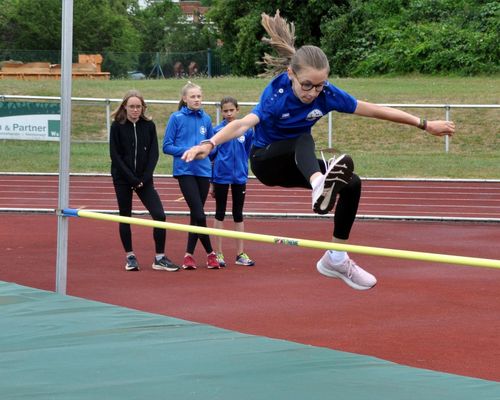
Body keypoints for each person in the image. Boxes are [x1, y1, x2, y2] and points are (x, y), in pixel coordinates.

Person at [181, 11, 456, 290]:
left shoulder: (327, 94)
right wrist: (210, 143)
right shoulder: (276, 95)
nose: (313, 92)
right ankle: (318, 185)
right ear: (291, 74)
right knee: (302, 139)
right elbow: (242, 124)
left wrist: (424, 124)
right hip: (266, 160)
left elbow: (374, 110)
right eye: (307, 85)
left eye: (320, 85)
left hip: (298, 164)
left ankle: (336, 257)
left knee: (352, 183)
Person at [109, 90, 179, 272]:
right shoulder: (117, 126)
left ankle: (160, 257)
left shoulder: (149, 125)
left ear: (143, 107)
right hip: (123, 179)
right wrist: (132, 179)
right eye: (131, 106)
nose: (135, 110)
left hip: (144, 179)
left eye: (138, 107)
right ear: (125, 107)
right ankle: (130, 256)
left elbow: (154, 154)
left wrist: (143, 178)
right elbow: (115, 156)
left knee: (159, 215)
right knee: (125, 216)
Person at [163, 81, 220, 270]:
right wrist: (188, 151)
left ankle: (189, 255)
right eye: (193, 96)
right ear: (185, 98)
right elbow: (167, 146)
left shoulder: (206, 119)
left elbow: (211, 146)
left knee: (196, 216)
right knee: (199, 213)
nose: (196, 99)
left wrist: (208, 151)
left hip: (203, 172)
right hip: (185, 170)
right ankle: (211, 254)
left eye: (199, 96)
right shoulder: (176, 118)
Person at [210, 96, 255, 268]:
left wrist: (243, 168)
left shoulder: (247, 131)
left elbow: (247, 150)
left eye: (231, 110)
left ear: (238, 110)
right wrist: (211, 182)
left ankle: (240, 253)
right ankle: (219, 253)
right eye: (225, 110)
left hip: (240, 177)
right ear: (221, 111)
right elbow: (212, 156)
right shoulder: (217, 131)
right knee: (219, 212)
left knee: (238, 213)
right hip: (221, 176)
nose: (229, 114)